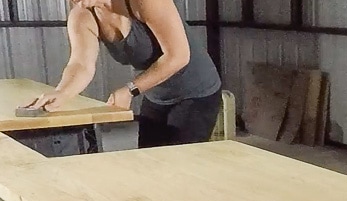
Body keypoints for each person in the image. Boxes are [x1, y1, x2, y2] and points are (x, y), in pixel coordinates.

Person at [24, 0, 222, 148]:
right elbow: (81, 64)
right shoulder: (83, 15)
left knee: (179, 168)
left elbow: (178, 56)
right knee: (149, 164)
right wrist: (62, 93)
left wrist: (130, 90)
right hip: (157, 94)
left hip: (197, 90)